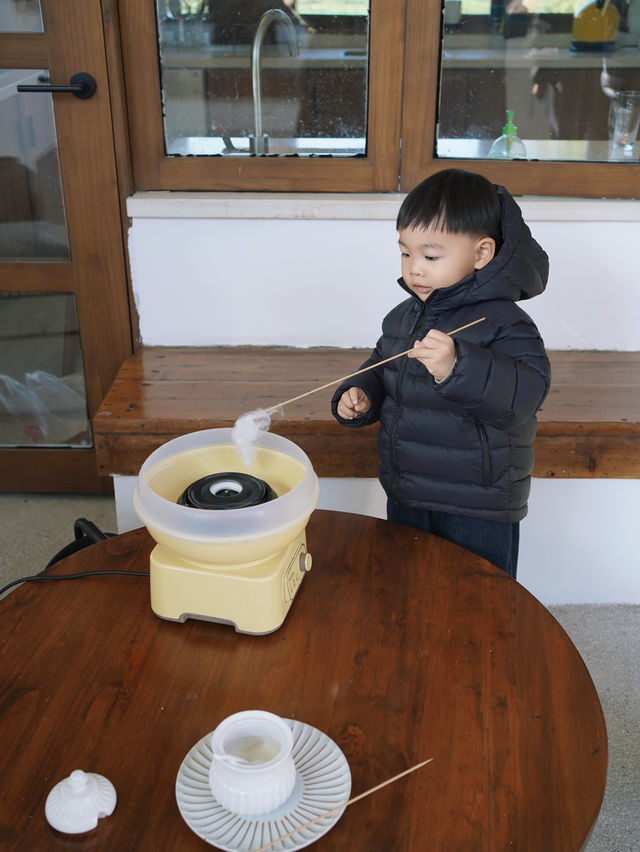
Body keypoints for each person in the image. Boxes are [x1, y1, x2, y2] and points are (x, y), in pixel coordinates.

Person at [331, 169, 550, 578]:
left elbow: (525, 396)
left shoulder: (504, 321)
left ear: (481, 253)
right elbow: (383, 366)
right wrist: (361, 392)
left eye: (431, 256)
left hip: (478, 501)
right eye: (406, 253)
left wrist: (456, 366)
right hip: (409, 488)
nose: (415, 269)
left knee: (479, 599)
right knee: (410, 588)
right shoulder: (403, 318)